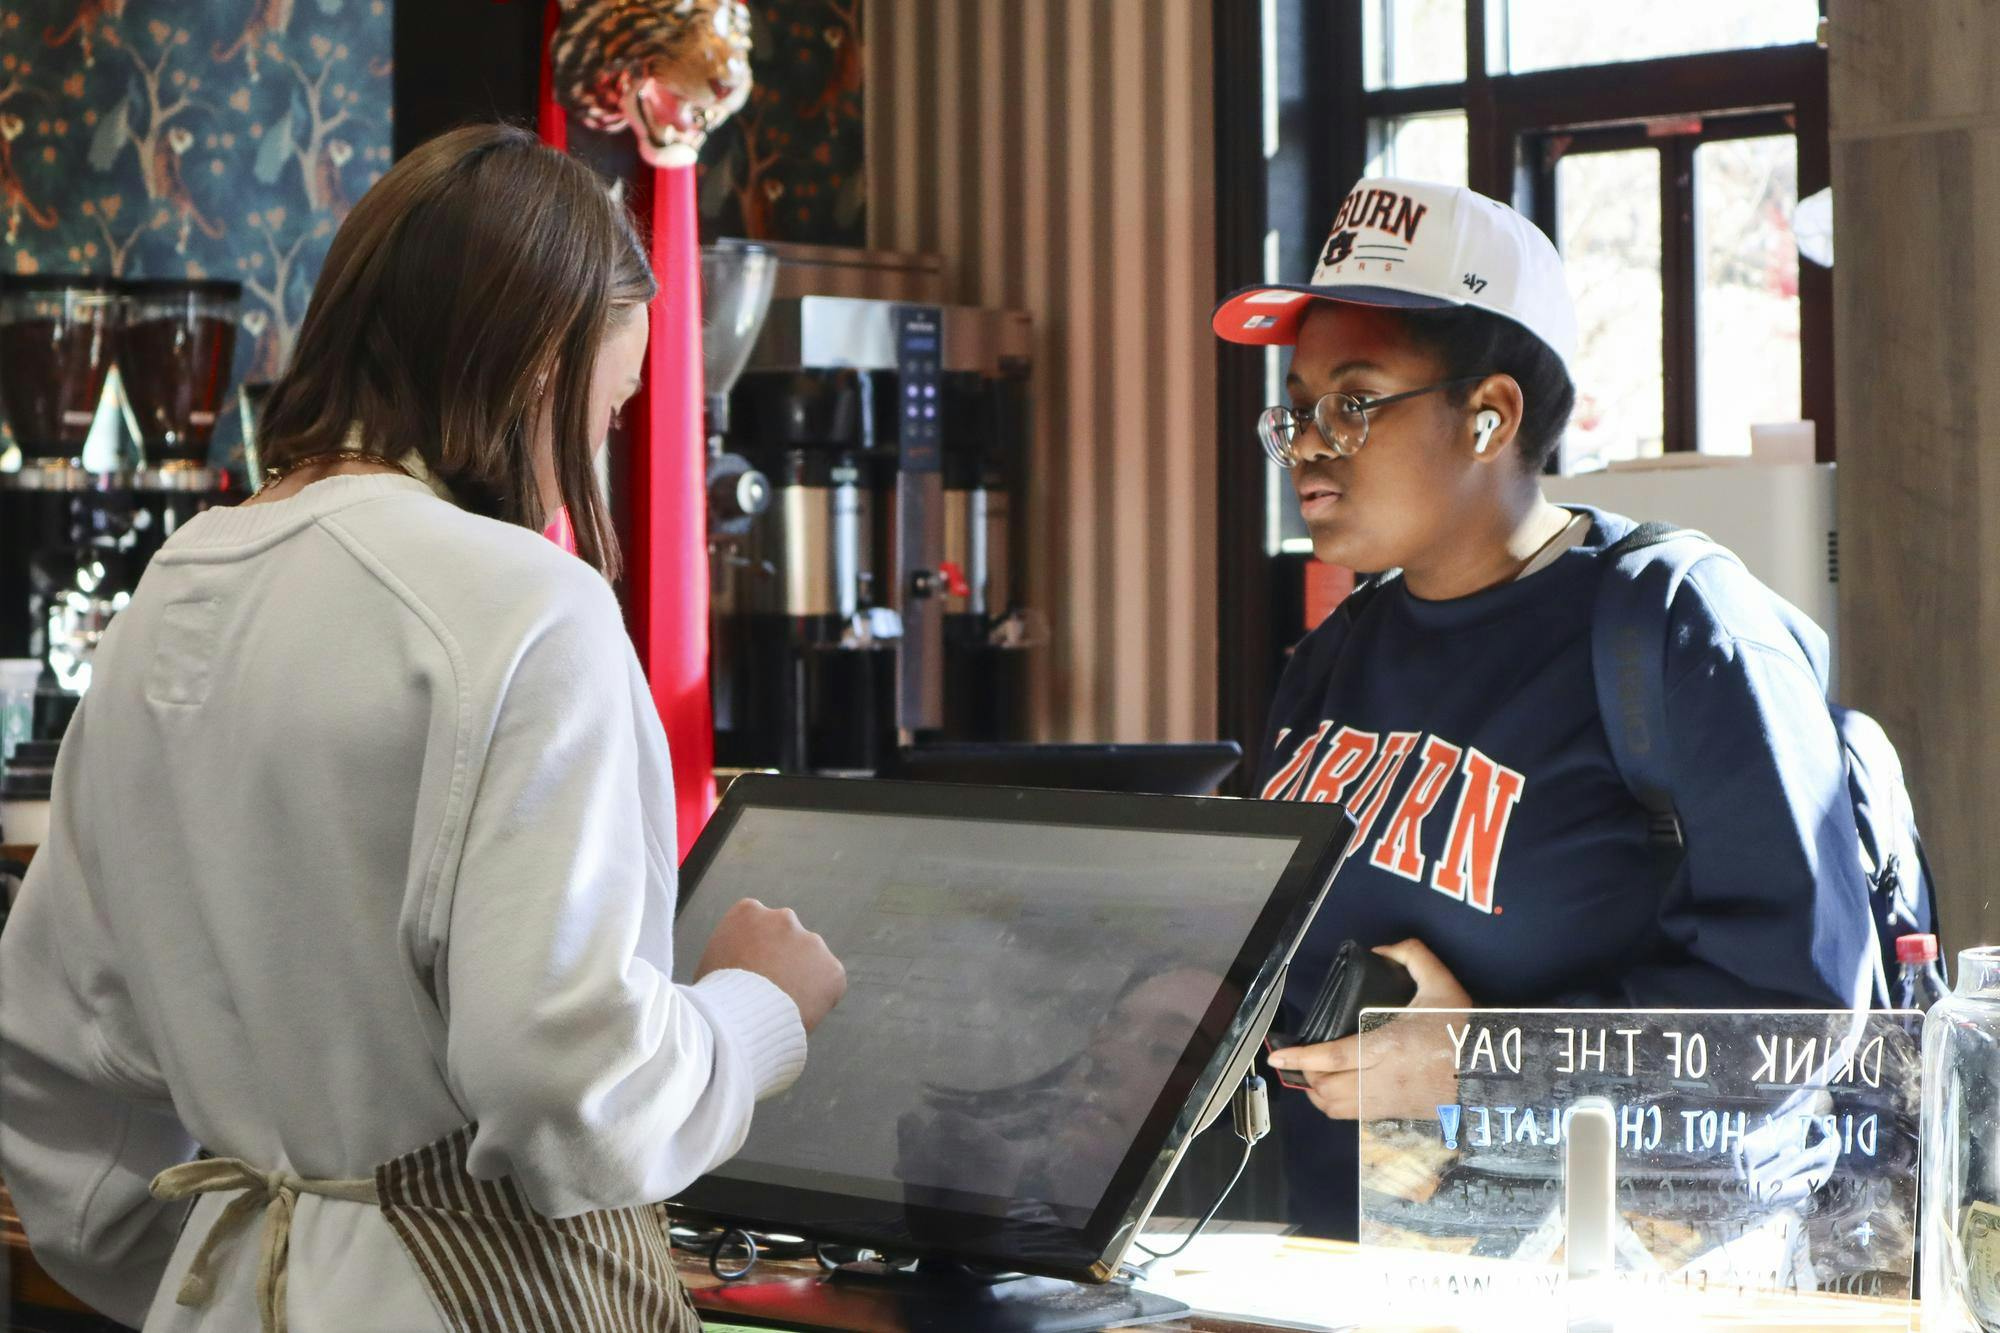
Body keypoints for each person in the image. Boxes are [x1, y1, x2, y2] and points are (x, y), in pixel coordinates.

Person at [0, 124, 847, 1330]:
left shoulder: (174, 593)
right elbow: (569, 1090)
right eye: (609, 411)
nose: (592, 455)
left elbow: (44, 1053)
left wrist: (213, 1280)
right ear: (542, 367)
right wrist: (752, 1012)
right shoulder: (526, 605)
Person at [1209, 177, 1874, 1239]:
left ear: (1491, 413)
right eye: (1295, 408)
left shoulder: (1678, 630)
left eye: (1353, 402)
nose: (1306, 444)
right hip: (1342, 1267)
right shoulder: (1333, 656)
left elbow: (1796, 1023)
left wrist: (1483, 1066)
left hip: (1608, 1279)